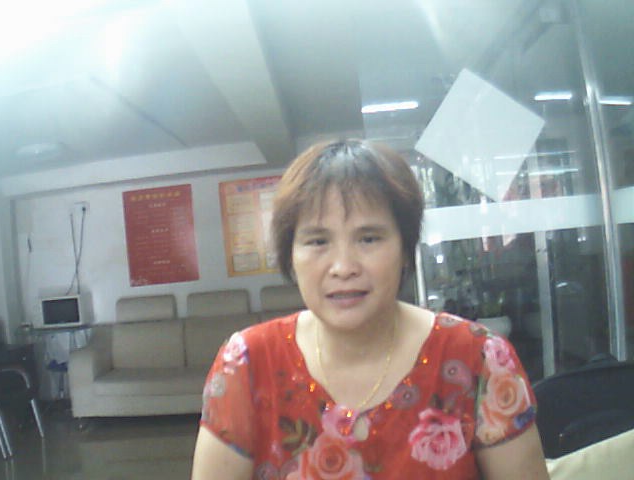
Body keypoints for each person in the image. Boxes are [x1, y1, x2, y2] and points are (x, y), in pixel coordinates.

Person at [191, 139, 549, 479]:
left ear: (405, 249)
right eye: (318, 241)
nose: (343, 267)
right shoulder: (247, 364)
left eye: (369, 238)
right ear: (291, 256)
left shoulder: (480, 358)